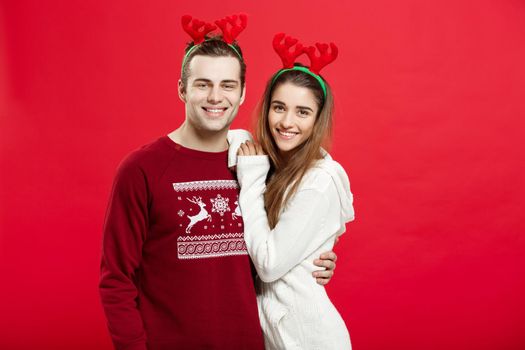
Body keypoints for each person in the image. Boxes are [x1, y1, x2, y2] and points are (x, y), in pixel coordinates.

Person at [99, 16, 337, 350]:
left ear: (241, 94)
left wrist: (314, 260)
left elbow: (274, 253)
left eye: (227, 85)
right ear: (182, 89)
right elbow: (117, 280)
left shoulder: (259, 166)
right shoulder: (142, 169)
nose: (215, 97)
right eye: (202, 84)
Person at [233, 33, 354, 349]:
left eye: (303, 112)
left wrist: (250, 180)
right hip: (274, 337)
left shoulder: (319, 180)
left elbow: (270, 265)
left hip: (310, 339)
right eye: (279, 107)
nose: (287, 122)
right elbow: (218, 139)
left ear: (317, 120)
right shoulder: (272, 164)